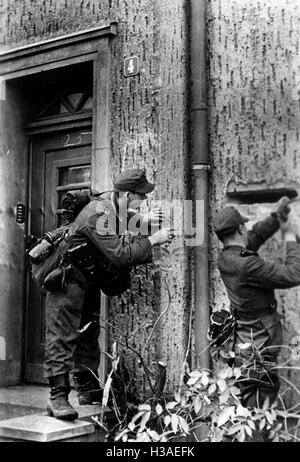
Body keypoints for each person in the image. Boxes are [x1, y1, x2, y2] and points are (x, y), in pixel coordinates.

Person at [45, 168, 174, 420]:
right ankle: (57, 398)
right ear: (126, 194)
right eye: (141, 196)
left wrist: (145, 221)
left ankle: (88, 389)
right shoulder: (98, 212)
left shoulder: (113, 206)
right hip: (67, 280)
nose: (144, 200)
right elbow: (120, 254)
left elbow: (124, 222)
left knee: (88, 333)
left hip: (86, 280)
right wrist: (153, 240)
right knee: (62, 335)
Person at [212, 198, 300, 408]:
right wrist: (290, 236)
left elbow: (254, 237)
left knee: (250, 390)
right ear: (241, 228)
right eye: (245, 225)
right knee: (262, 396)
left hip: (245, 336)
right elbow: (294, 274)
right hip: (259, 338)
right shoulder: (247, 264)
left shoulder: (227, 256)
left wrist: (275, 217)